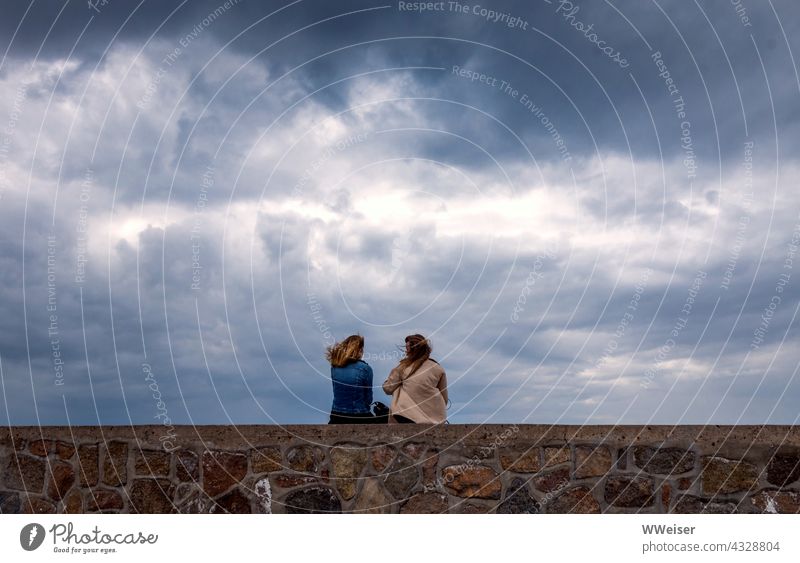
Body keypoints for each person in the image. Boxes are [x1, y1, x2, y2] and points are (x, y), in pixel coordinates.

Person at [382, 334, 448, 424]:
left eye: (407, 349)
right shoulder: (438, 368)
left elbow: (388, 389)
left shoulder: (403, 367)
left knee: (398, 387)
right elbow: (445, 398)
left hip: (406, 415)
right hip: (434, 418)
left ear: (413, 350)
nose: (406, 352)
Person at [327, 335, 382, 424]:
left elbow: (336, 391)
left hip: (336, 415)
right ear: (359, 351)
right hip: (358, 416)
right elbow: (368, 399)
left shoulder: (334, 367)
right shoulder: (365, 368)